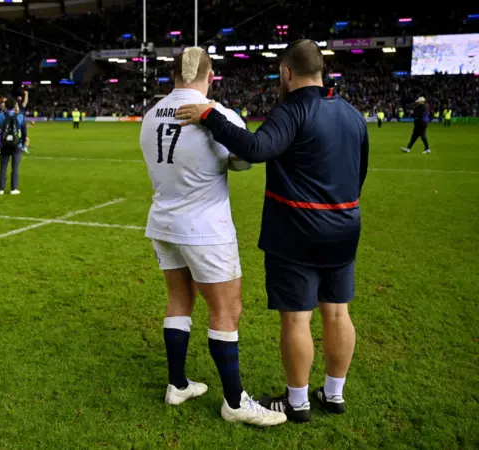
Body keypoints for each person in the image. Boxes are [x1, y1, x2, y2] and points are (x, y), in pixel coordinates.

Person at [175, 39, 369, 423]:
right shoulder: (352, 114)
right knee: (337, 311)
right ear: (322, 71)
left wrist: (209, 115)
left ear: (286, 73)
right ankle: (333, 394)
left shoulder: (292, 110)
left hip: (298, 230)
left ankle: (297, 402)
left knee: (298, 318)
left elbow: (256, 147)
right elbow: (359, 171)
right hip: (345, 228)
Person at [140, 47, 287, 428]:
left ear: (173, 75)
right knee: (227, 309)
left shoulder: (150, 114)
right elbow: (244, 159)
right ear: (210, 75)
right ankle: (235, 402)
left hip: (163, 221)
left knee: (178, 299)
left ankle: (177, 384)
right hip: (205, 227)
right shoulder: (216, 114)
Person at [0, 98, 24, 195]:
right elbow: (24, 131)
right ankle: (13, 189)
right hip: (16, 144)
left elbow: (0, 127)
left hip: (4, 144)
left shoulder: (0, 116)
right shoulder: (20, 116)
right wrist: (22, 143)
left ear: (5, 105)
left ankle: (1, 189)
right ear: (15, 105)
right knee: (15, 167)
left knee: (3, 167)